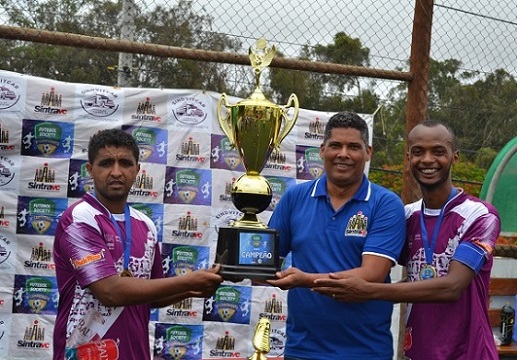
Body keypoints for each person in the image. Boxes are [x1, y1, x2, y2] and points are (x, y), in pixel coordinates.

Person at [313, 120, 500, 359]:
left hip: (469, 352)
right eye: (419, 152)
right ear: (408, 157)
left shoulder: (480, 215)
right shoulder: (406, 215)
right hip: (418, 351)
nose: (428, 160)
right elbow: (376, 265)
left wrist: (369, 291)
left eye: (438, 151)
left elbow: (451, 286)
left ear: (455, 157)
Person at [53, 128, 223, 360]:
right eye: (106, 163)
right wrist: (187, 280)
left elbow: (152, 293)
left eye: (125, 163)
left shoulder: (145, 224)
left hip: (136, 353)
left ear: (137, 170)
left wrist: (192, 289)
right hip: (84, 354)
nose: (116, 172)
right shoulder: (79, 219)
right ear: (90, 170)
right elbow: (109, 292)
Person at [266, 111, 406, 360]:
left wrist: (304, 279)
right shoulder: (295, 198)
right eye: (335, 146)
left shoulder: (385, 203)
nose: (343, 154)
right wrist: (240, 264)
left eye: (353, 146)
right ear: (322, 150)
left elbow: (372, 274)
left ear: (368, 153)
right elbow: (268, 261)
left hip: (365, 350)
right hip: (303, 349)